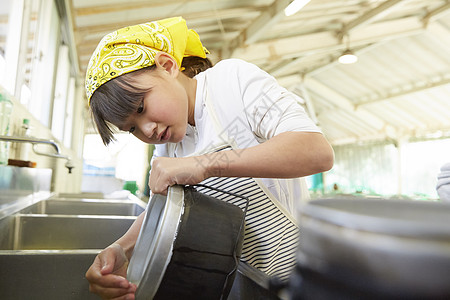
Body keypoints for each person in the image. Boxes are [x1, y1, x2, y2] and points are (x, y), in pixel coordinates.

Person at [84, 17, 334, 300]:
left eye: (141, 107)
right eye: (131, 128)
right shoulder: (168, 142)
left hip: (296, 277)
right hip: (235, 282)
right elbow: (164, 209)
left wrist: (205, 165)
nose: (147, 130)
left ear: (167, 66)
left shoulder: (230, 83)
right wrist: (121, 248)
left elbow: (316, 150)